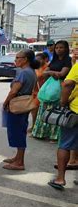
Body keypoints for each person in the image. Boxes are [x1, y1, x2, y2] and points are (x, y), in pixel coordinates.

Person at [2, 50, 39, 170]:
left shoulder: (23, 72)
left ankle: (19, 162)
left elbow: (14, 91)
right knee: (20, 130)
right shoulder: (31, 71)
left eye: (18, 57)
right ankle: (18, 157)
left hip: (18, 104)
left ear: (25, 59)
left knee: (17, 132)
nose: (16, 60)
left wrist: (6, 102)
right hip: (24, 103)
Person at [32, 40, 72, 141]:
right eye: (57, 48)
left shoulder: (68, 60)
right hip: (50, 88)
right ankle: (40, 133)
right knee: (44, 109)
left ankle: (54, 136)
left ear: (66, 49)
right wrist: (52, 73)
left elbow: (62, 74)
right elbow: (44, 73)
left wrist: (50, 72)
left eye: (61, 48)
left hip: (60, 88)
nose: (58, 50)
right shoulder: (54, 59)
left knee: (56, 111)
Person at [48, 57, 78, 189]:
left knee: (65, 144)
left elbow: (67, 84)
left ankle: (60, 179)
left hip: (76, 111)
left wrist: (63, 103)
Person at [29, 52, 49, 131]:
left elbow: (38, 77)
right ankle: (34, 126)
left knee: (34, 108)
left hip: (42, 91)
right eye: (36, 60)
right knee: (33, 110)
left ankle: (35, 127)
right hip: (34, 91)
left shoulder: (47, 67)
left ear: (45, 60)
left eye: (39, 59)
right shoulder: (35, 67)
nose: (38, 61)